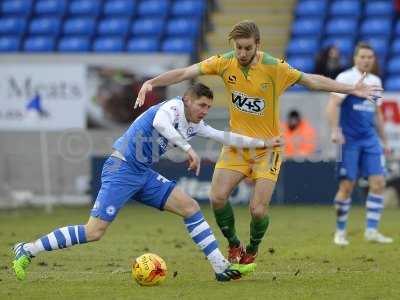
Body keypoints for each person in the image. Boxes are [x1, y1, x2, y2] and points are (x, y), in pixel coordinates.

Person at [134, 20, 383, 264]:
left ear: (258, 45)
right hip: (237, 145)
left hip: (268, 147)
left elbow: (311, 80)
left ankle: (252, 249)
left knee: (258, 210)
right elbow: (186, 72)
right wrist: (152, 82)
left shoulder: (274, 67)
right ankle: (233, 244)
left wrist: (350, 90)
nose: (242, 53)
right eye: (238, 47)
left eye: (247, 48)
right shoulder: (225, 61)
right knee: (217, 197)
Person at [12, 83, 283, 282]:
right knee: (94, 232)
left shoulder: (194, 123)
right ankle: (28, 248)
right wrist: (187, 149)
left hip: (142, 173)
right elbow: (161, 124)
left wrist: (263, 143)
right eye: (202, 105)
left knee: (189, 207)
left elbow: (226, 137)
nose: (205, 112)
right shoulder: (171, 108)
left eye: (209, 107)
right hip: (121, 169)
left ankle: (220, 267)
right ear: (188, 100)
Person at [326, 42, 393, 246]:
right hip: (349, 140)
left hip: (369, 139)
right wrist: (335, 130)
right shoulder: (345, 78)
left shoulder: (376, 80)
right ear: (355, 58)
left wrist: (385, 141)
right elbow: (332, 106)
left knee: (379, 183)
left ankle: (371, 230)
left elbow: (377, 114)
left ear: (373, 60)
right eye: (362, 56)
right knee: (347, 186)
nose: (366, 60)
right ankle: (340, 232)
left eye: (369, 57)